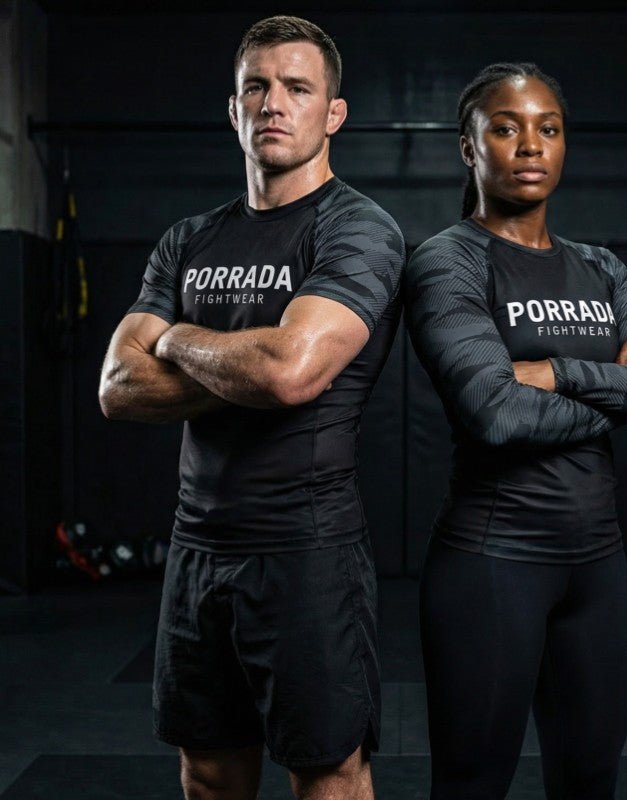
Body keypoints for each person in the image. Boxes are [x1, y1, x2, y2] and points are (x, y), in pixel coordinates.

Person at [98, 16, 404, 800]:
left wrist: (179, 339)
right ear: (233, 111)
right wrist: (248, 357)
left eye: (297, 88)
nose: (274, 103)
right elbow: (116, 386)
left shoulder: (358, 230)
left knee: (328, 772)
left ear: (332, 112)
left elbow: (291, 374)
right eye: (256, 88)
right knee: (206, 769)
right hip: (195, 549)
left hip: (306, 552)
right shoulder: (188, 239)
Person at [404, 62, 627, 800]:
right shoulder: (448, 262)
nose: (530, 144)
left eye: (549, 128)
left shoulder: (600, 268)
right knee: (472, 785)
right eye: (505, 127)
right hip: (492, 566)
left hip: (599, 570)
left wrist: (561, 372)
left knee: (590, 782)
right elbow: (496, 413)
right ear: (470, 148)